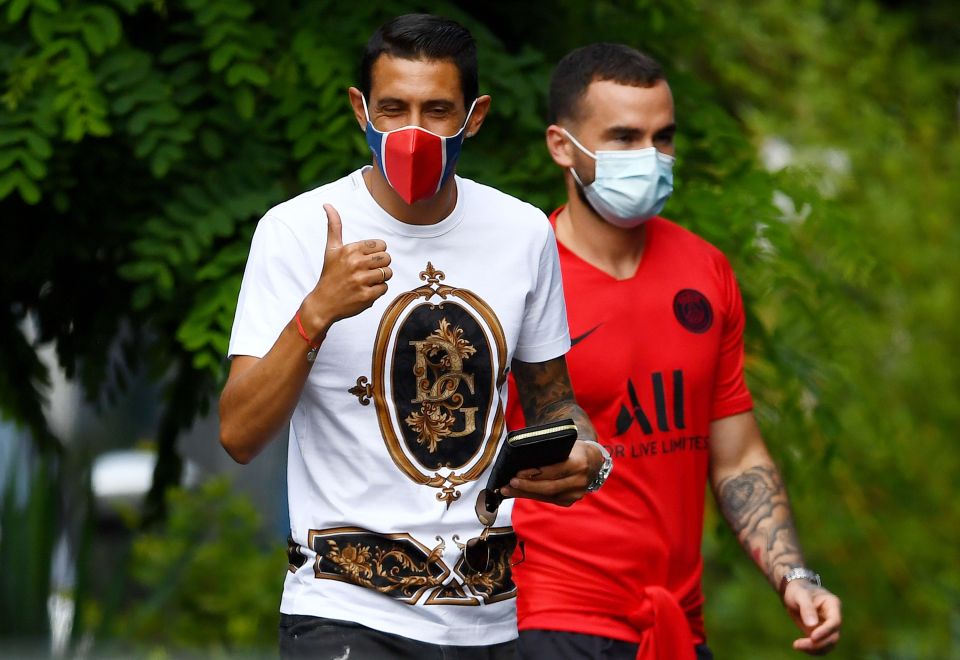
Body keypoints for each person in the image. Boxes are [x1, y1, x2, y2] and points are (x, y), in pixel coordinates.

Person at [218, 14, 607, 660]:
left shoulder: (522, 233)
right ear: (360, 109)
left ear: (474, 117)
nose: (414, 133)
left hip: (488, 618)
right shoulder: (297, 231)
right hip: (343, 611)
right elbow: (237, 433)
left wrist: (587, 458)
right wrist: (316, 312)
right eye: (393, 109)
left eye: (437, 111)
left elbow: (554, 404)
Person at [503, 43, 843, 659]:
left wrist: (794, 576)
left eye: (663, 138)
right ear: (561, 146)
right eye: (625, 137)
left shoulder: (705, 271)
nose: (650, 158)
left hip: (676, 627)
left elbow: (737, 456)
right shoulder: (519, 280)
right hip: (551, 616)